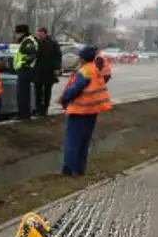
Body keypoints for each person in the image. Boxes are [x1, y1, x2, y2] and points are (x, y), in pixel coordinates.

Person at [58, 45, 112, 177]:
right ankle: (80, 169)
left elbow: (75, 89)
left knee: (72, 141)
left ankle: (69, 170)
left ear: (82, 58)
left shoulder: (85, 71)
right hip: (92, 110)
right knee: (84, 141)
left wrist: (64, 99)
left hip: (79, 111)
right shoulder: (95, 69)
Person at [33, 27, 62, 116]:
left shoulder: (52, 43)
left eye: (40, 34)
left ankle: (45, 108)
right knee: (37, 91)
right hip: (38, 70)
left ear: (44, 33)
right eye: (37, 34)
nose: (38, 36)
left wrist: (57, 68)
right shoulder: (35, 43)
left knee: (47, 91)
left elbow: (58, 56)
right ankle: (38, 108)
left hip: (49, 71)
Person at [12, 24, 39, 120]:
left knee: (22, 94)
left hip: (25, 71)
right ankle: (24, 113)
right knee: (23, 93)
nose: (15, 35)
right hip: (24, 70)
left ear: (21, 32)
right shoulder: (26, 40)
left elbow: (32, 54)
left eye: (17, 33)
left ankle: (23, 114)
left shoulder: (28, 41)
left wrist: (24, 64)